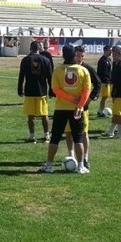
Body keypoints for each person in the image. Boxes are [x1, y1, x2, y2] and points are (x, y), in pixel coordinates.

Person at [40, 45, 91, 174]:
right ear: (75, 55)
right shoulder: (83, 70)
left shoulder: (57, 70)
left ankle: (49, 165)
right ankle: (80, 166)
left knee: (55, 138)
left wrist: (69, 98)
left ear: (63, 55)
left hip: (61, 108)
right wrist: (79, 105)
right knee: (78, 138)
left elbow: (55, 89)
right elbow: (86, 91)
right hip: (76, 110)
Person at [64, 46, 101, 169]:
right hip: (68, 107)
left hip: (82, 109)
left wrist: (89, 100)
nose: (80, 59)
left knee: (83, 133)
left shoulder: (87, 68)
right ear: (74, 55)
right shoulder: (68, 68)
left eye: (82, 56)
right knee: (68, 133)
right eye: (78, 56)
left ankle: (85, 158)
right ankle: (71, 156)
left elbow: (98, 84)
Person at [17, 41, 53, 143]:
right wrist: (51, 90)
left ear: (30, 48)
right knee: (44, 114)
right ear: (39, 48)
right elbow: (50, 77)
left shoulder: (25, 60)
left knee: (30, 115)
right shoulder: (46, 60)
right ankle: (47, 135)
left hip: (29, 91)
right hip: (42, 91)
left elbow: (21, 76)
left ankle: (32, 136)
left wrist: (20, 88)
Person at [102, 46, 121, 139]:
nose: (113, 56)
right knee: (116, 113)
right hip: (116, 91)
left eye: (115, 54)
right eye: (113, 54)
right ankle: (111, 131)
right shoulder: (115, 63)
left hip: (119, 93)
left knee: (118, 113)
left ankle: (119, 133)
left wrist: (115, 92)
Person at [97, 45, 112, 117]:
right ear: (105, 50)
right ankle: (100, 111)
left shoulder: (108, 59)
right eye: (110, 50)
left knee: (106, 96)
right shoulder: (102, 60)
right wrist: (104, 80)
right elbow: (100, 72)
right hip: (104, 82)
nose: (111, 52)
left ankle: (101, 110)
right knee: (104, 97)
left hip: (108, 82)